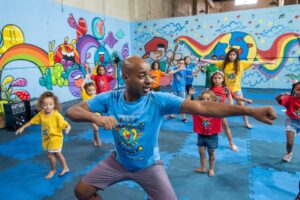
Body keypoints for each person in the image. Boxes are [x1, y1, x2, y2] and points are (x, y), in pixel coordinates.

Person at [66, 56, 276, 200]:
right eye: (142, 76)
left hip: (149, 165)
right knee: (81, 191)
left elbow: (202, 106)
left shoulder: (159, 100)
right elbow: (73, 111)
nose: (149, 80)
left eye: (149, 74)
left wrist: (249, 112)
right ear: (126, 77)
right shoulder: (109, 99)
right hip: (118, 162)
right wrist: (97, 118)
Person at [200, 48, 276, 129]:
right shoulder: (224, 63)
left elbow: (256, 62)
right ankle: (216, 123)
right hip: (225, 90)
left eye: (233, 55)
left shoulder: (242, 63)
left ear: (236, 56)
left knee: (242, 108)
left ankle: (246, 123)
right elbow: (213, 61)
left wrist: (269, 62)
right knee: (220, 108)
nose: (232, 56)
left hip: (237, 89)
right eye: (230, 54)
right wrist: (202, 59)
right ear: (228, 55)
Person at [16, 91, 71, 179]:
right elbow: (31, 121)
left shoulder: (56, 115)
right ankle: (65, 168)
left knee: (50, 155)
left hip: (55, 138)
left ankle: (53, 170)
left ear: (54, 105)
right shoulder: (41, 114)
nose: (47, 106)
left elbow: (65, 124)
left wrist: (67, 128)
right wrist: (22, 128)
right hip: (48, 138)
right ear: (41, 105)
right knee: (58, 154)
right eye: (45, 105)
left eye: (50, 104)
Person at [210, 70, 252, 152]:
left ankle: (231, 143)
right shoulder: (210, 89)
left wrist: (245, 100)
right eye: (215, 78)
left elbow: (235, 97)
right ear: (212, 79)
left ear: (223, 79)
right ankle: (210, 142)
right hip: (212, 111)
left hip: (221, 112)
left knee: (226, 127)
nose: (217, 80)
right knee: (211, 128)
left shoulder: (226, 89)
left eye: (219, 78)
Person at [192, 90, 222, 177]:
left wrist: (229, 96)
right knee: (201, 152)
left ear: (213, 100)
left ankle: (211, 168)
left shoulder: (217, 111)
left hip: (212, 136)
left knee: (211, 153)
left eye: (208, 99)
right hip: (201, 135)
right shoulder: (197, 111)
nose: (205, 101)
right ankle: (203, 168)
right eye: (203, 99)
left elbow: (230, 106)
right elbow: (188, 105)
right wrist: (189, 95)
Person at [275, 80, 300, 162]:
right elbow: (277, 99)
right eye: (298, 90)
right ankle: (289, 153)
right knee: (290, 142)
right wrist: (281, 95)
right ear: (294, 90)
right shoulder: (289, 98)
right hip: (292, 122)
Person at [81, 73, 102, 146]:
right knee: (96, 129)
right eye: (89, 90)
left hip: (97, 115)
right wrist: (86, 78)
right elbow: (81, 87)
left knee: (95, 129)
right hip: (90, 116)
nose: (92, 92)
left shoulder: (96, 97)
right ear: (86, 91)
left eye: (93, 90)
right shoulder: (86, 97)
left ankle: (94, 141)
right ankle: (98, 140)